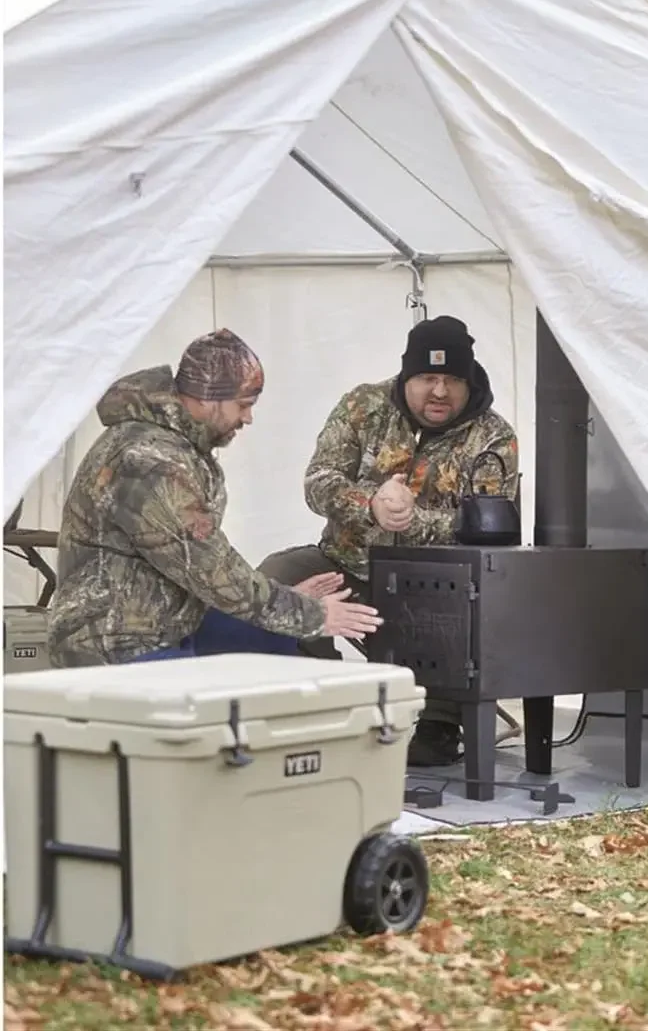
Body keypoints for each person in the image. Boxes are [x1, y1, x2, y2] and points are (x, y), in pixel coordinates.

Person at [260, 315, 518, 767]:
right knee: (277, 579)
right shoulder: (364, 406)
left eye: (453, 379)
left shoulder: (493, 437)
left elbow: (490, 525)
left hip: (439, 587)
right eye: (428, 378)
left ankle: (439, 718)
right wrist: (370, 504)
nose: (439, 391)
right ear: (406, 375)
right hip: (350, 564)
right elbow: (318, 482)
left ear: (469, 380)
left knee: (475, 604)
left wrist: (410, 520)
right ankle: (326, 702)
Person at [48, 329, 381, 668]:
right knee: (282, 636)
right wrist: (309, 614)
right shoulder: (150, 461)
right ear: (208, 398)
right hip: (115, 642)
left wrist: (289, 605)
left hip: (166, 621)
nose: (248, 418)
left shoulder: (172, 444)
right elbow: (209, 567)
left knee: (278, 637)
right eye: (243, 405)